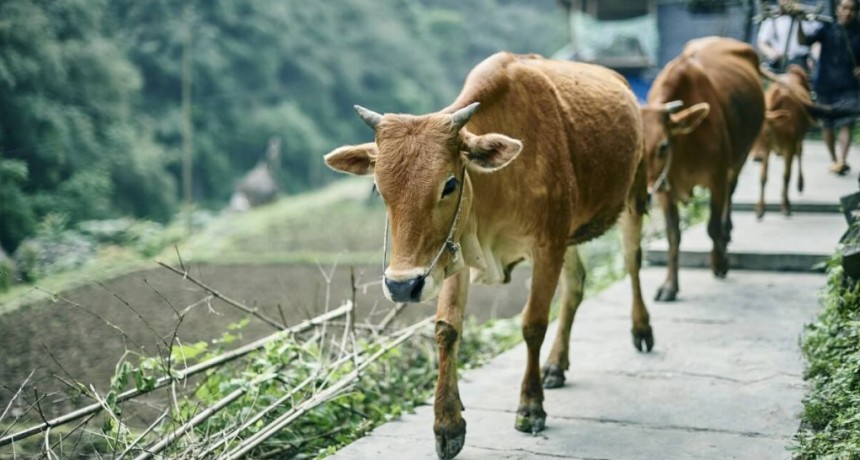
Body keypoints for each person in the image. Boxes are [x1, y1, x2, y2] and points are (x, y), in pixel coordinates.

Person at [798, 0, 860, 175]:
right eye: (844, 8)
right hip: (825, 84)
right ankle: (834, 159)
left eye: (852, 9)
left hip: (849, 86)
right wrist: (798, 22)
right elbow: (803, 40)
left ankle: (842, 159)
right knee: (827, 125)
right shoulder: (826, 29)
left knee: (846, 123)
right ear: (838, 10)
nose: (848, 12)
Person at [758, 0, 814, 72]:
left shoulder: (807, 19)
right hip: (780, 62)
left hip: (802, 62)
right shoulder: (773, 19)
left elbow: (815, 41)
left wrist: (813, 57)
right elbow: (762, 42)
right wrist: (772, 53)